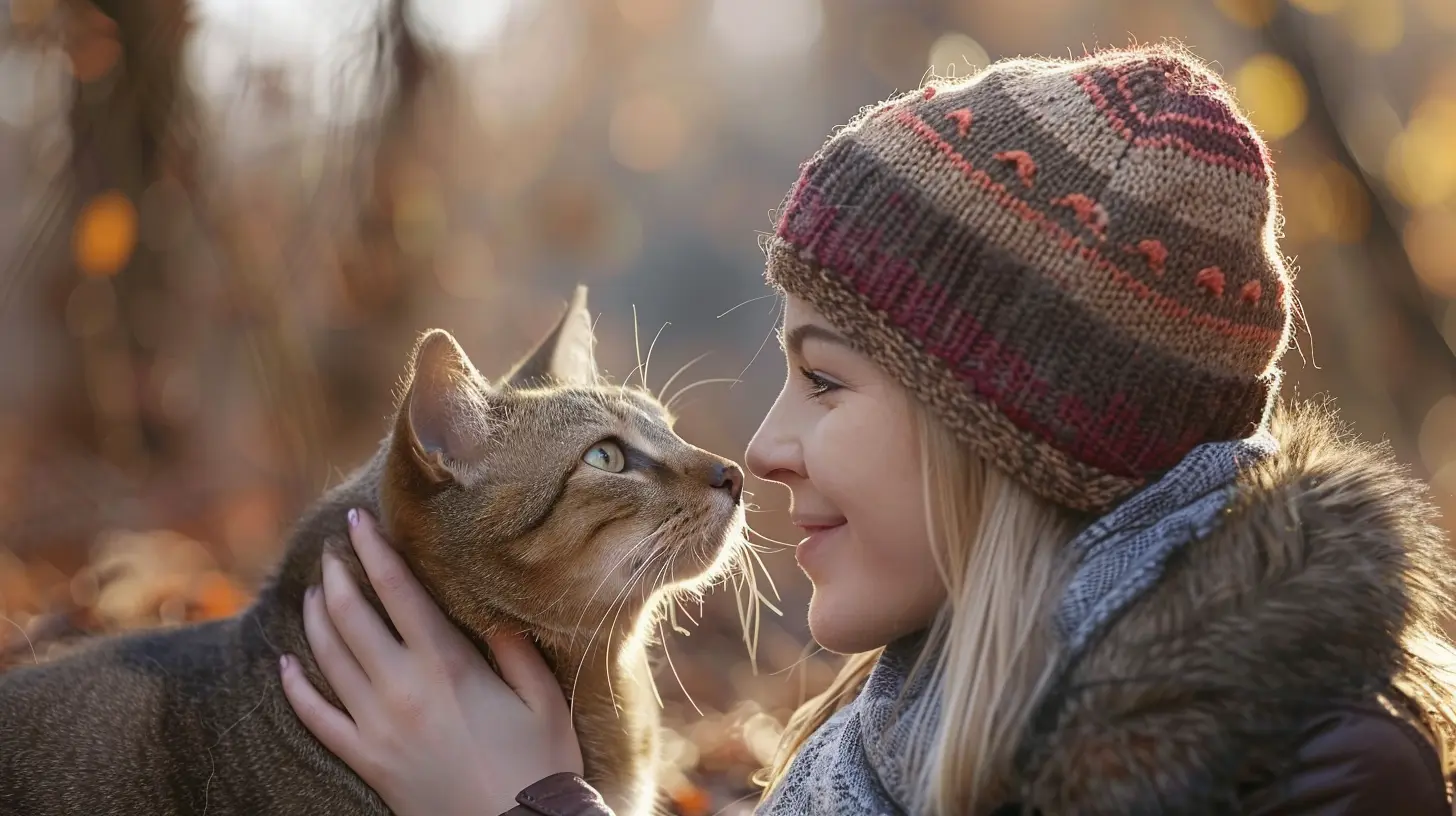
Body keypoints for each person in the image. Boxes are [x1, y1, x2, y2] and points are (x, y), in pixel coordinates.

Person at [276, 43, 1456, 815]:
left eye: (824, 382)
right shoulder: (907, 721)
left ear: (998, 423)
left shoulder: (1314, 782)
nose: (766, 450)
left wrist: (520, 805)